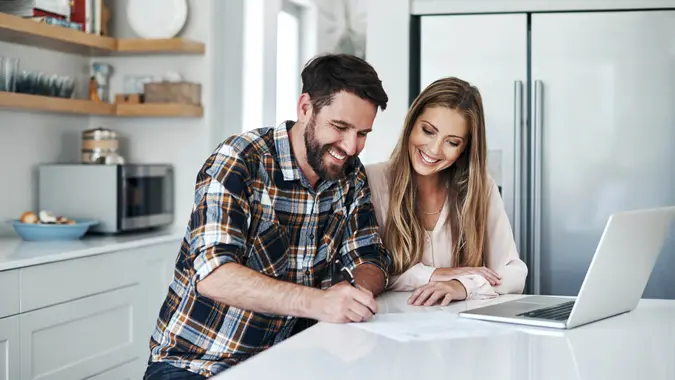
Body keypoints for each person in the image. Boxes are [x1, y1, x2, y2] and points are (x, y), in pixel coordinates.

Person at [144, 53, 391, 379]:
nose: (351, 146)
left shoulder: (350, 175)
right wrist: (318, 302)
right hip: (201, 363)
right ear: (306, 108)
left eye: (363, 133)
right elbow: (213, 274)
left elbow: (369, 256)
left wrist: (354, 293)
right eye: (340, 127)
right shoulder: (239, 160)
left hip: (294, 359)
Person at [365, 77, 527, 307]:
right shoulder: (371, 180)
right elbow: (366, 275)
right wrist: (435, 274)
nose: (434, 149)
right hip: (388, 329)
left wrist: (462, 285)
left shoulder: (481, 187)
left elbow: (514, 273)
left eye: (452, 142)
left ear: (464, 149)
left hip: (457, 332)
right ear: (411, 123)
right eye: (428, 131)